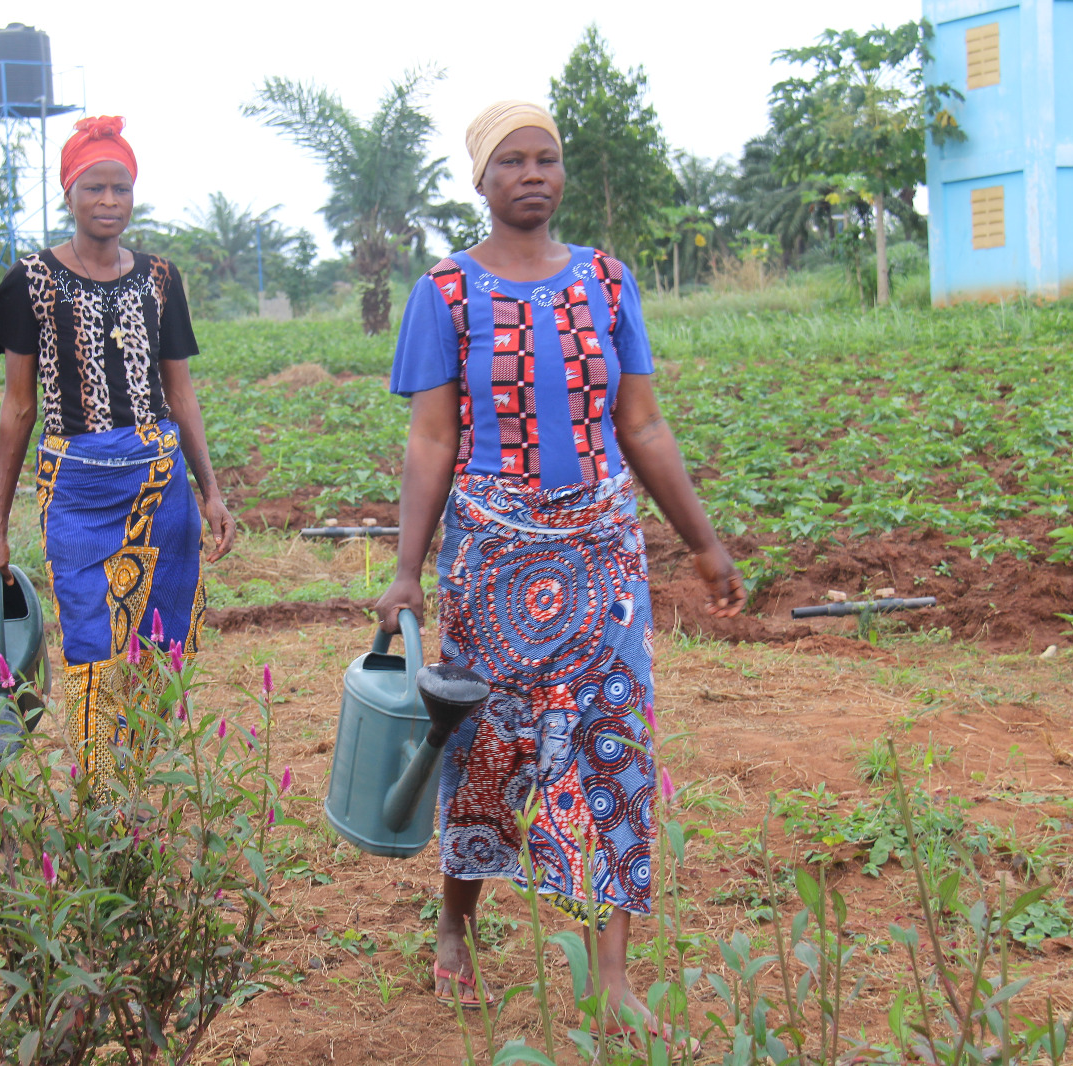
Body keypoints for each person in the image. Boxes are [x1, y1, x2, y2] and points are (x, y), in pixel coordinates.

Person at [374, 101, 744, 1042]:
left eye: (547, 159)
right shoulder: (444, 293)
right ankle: (456, 925)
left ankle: (611, 978)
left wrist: (704, 544)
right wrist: (407, 570)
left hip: (602, 551)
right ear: (481, 180)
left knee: (613, 747)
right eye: (512, 161)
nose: (533, 174)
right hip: (493, 554)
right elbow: (431, 440)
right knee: (483, 745)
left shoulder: (608, 283)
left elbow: (642, 424)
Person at [0, 115, 235, 787]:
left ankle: (141, 780)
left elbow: (181, 393)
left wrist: (211, 490)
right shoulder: (32, 279)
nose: (109, 201)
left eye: (121, 188)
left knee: (163, 632)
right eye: (95, 188)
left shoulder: (161, 279)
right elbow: (19, 407)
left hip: (161, 487)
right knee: (89, 638)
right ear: (70, 194)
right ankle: (98, 793)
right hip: (76, 490)